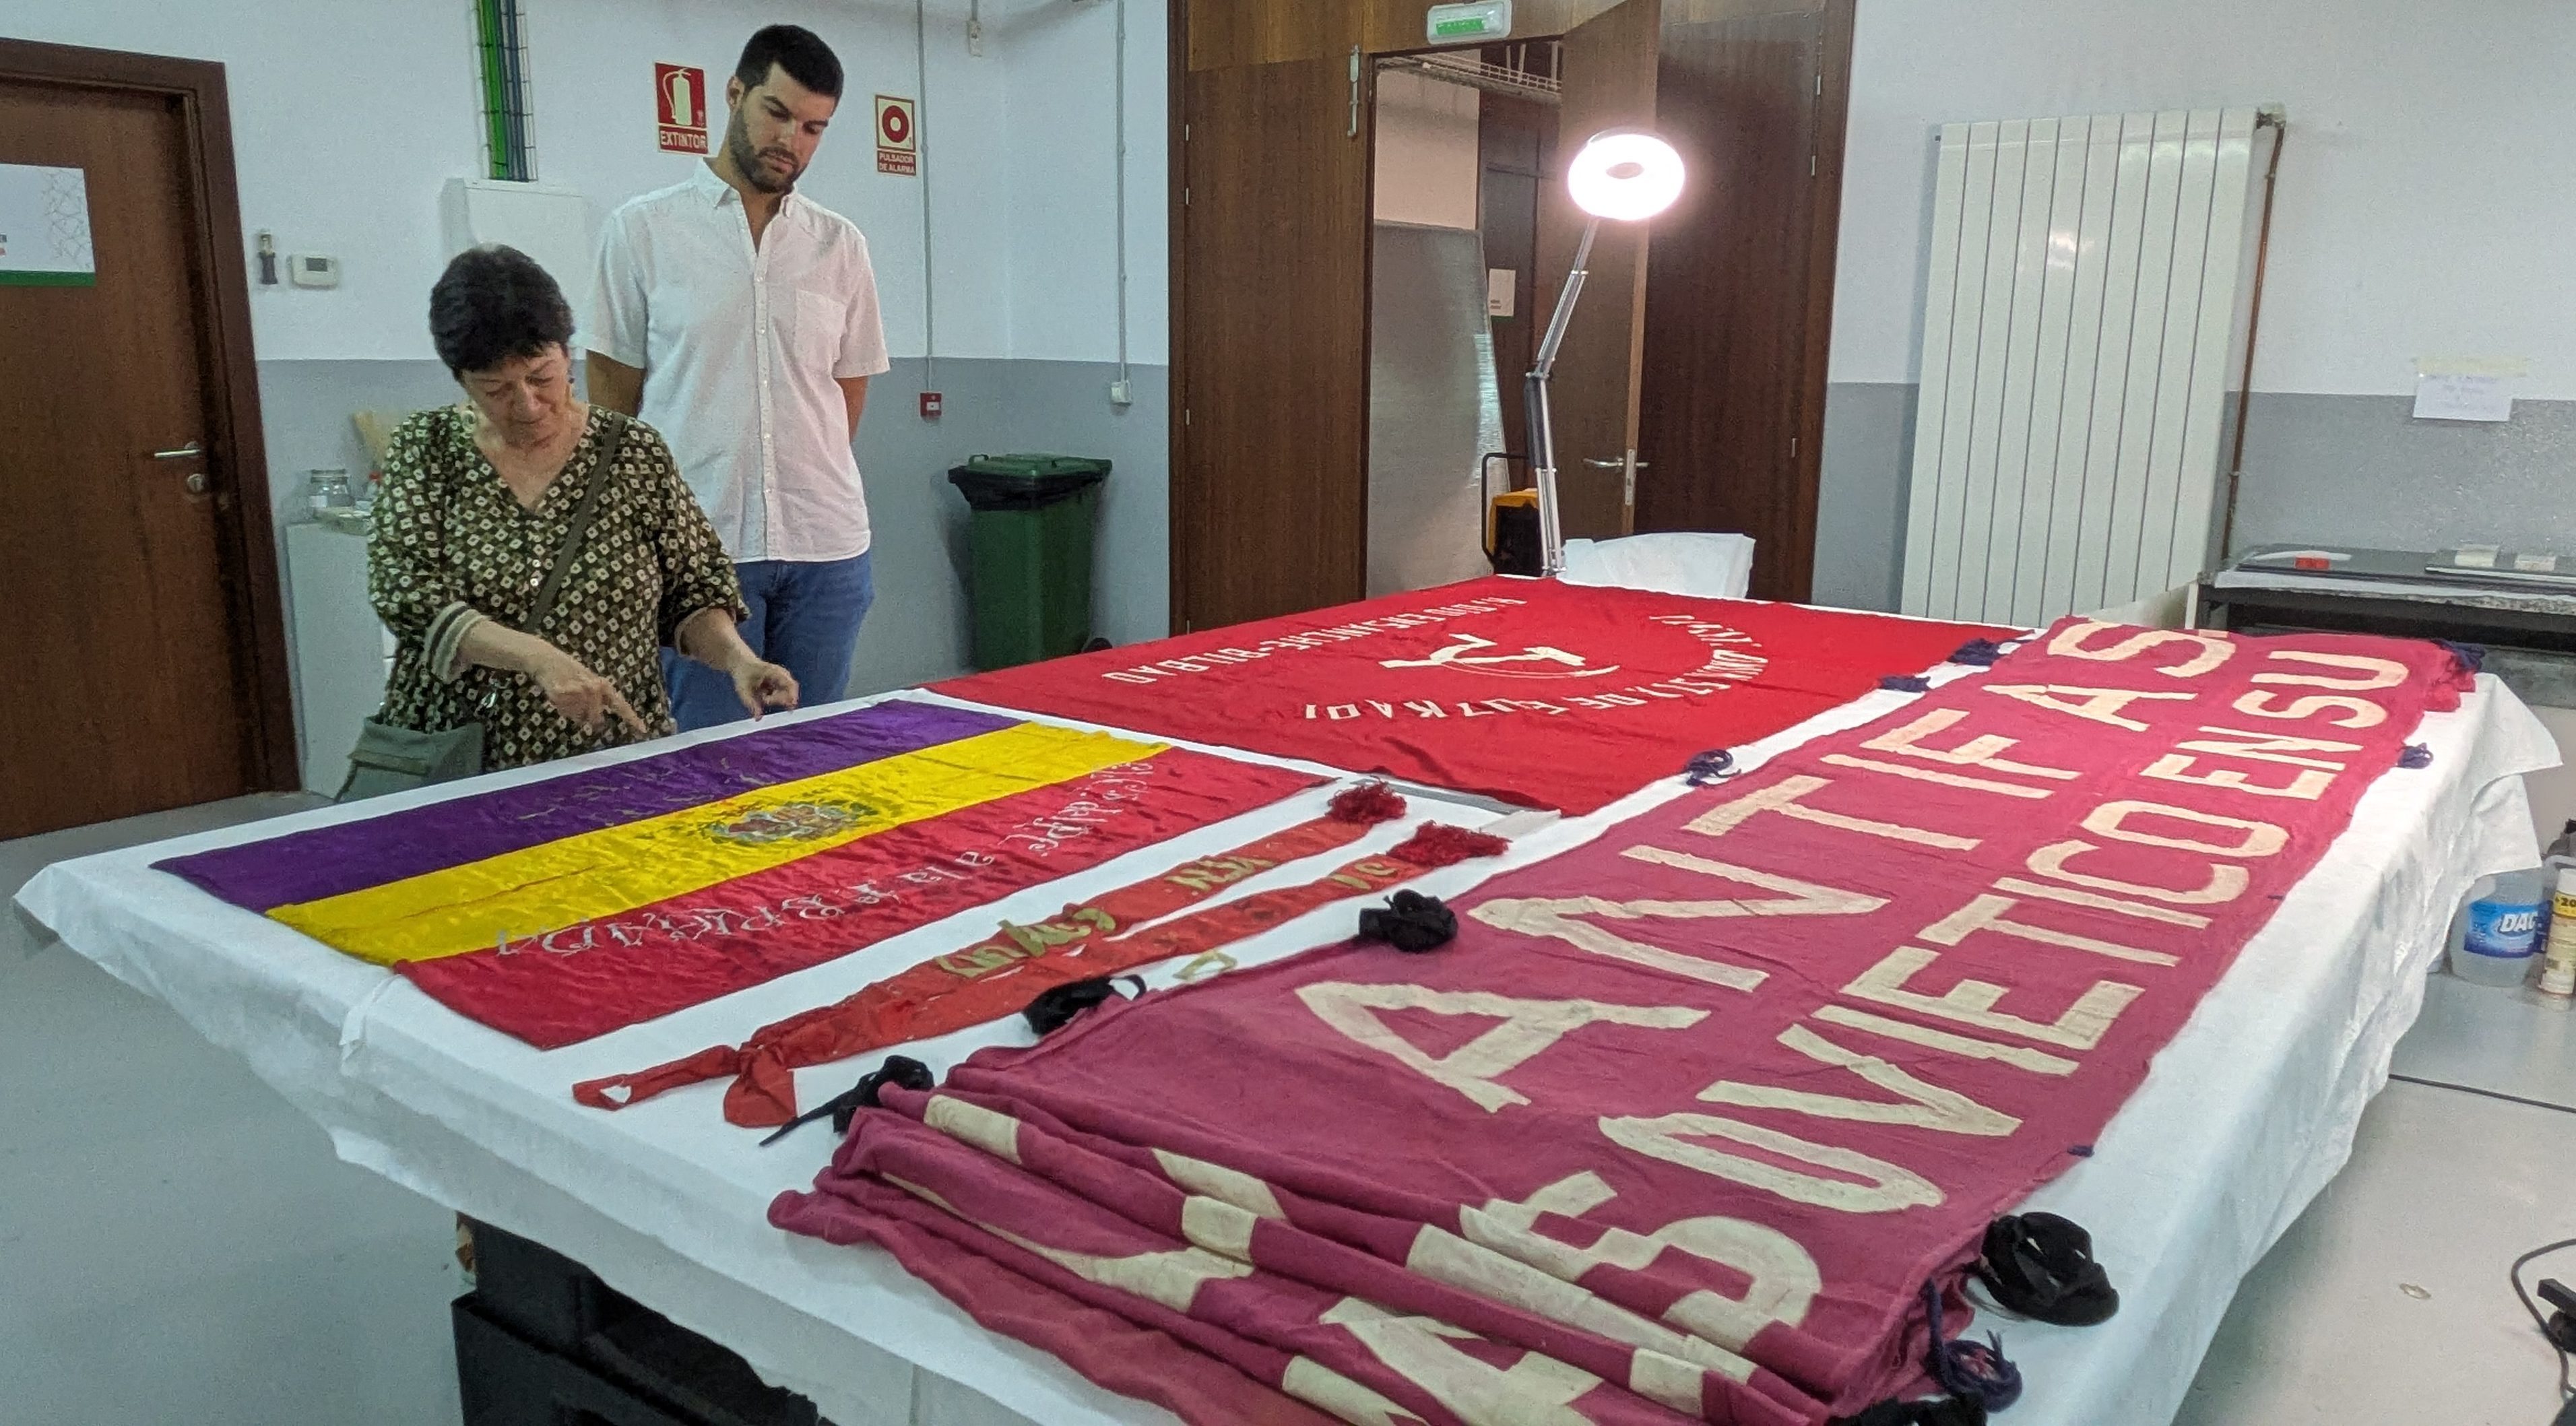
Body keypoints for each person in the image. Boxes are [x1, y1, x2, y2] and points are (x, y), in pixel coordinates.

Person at [369, 245, 798, 772]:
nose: (527, 405)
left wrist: (740, 660)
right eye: (496, 389)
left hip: (611, 751)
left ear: (567, 355)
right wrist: (539, 658)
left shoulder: (633, 452)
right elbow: (406, 592)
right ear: (461, 381)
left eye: (541, 377)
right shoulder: (427, 447)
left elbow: (694, 586)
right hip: (462, 756)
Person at [586, 23, 889, 732]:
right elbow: (613, 408)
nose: (793, 141)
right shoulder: (643, 231)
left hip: (826, 549)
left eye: (814, 128)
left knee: (810, 755)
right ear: (735, 94)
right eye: (777, 114)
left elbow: (847, 389)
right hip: (701, 551)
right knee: (707, 767)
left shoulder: (840, 246)